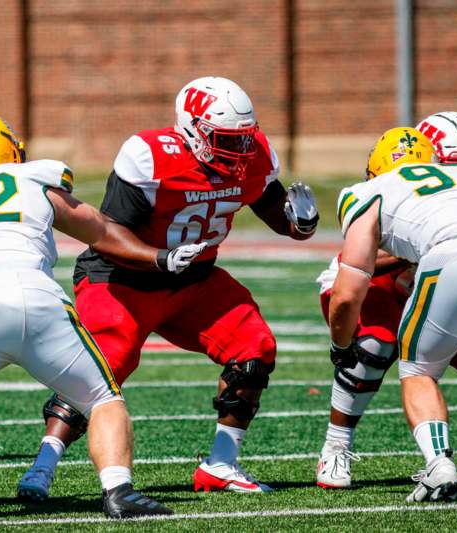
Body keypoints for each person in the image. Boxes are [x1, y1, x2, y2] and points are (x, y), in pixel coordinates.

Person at [17, 76, 321, 501]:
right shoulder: (151, 157)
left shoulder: (253, 155)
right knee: (102, 368)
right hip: (120, 279)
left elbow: (275, 214)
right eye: (225, 140)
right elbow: (106, 232)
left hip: (193, 279)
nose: (238, 151)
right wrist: (159, 258)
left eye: (242, 139)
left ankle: (221, 463)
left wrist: (300, 224)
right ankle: (42, 467)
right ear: (192, 130)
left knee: (255, 347)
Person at [0, 112, 201, 528]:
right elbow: (99, 231)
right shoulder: (34, 179)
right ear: (8, 149)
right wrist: (157, 257)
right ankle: (118, 490)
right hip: (28, 296)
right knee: (102, 398)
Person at [315, 111, 457, 489]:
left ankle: (437, 463)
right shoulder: (391, 193)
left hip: (443, 275)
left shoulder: (374, 190)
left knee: (417, 370)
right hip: (385, 285)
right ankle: (336, 446)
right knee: (372, 347)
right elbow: (352, 278)